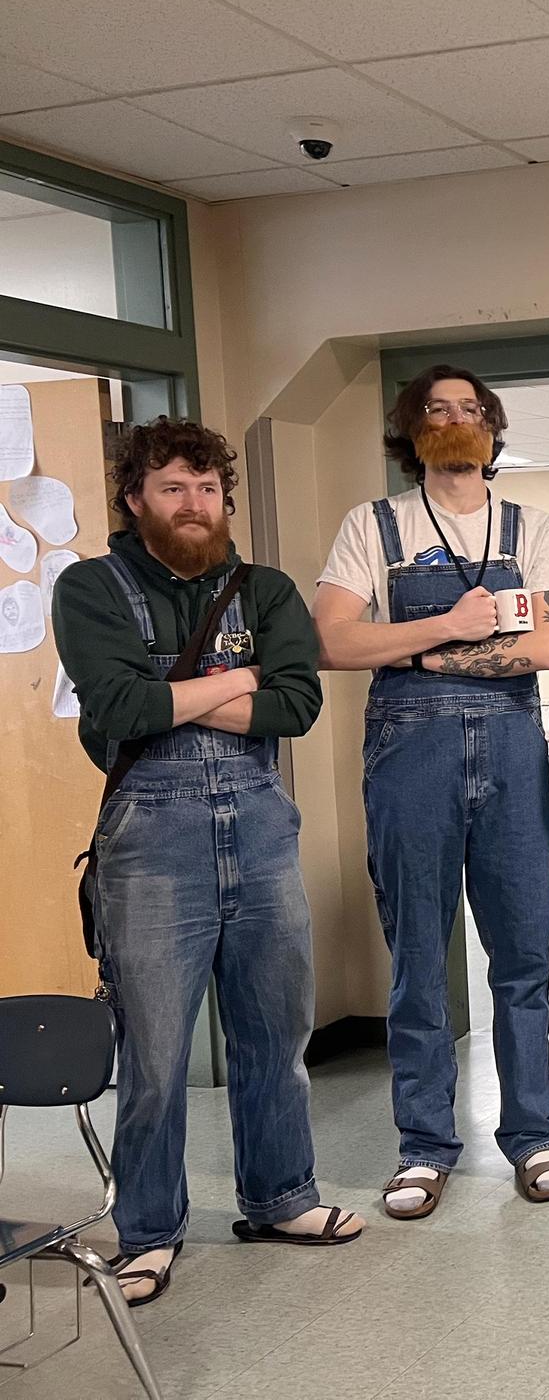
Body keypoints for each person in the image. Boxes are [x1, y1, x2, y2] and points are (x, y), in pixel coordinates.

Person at [52, 418, 361, 1307]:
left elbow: (296, 704)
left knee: (277, 1033)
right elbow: (116, 704)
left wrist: (175, 698)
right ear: (135, 498)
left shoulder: (262, 588)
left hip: (262, 829)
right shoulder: (90, 588)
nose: (195, 504)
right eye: (173, 488)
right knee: (152, 1051)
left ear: (227, 498)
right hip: (150, 841)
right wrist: (238, 679)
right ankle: (148, 1231)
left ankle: (281, 1198)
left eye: (208, 488)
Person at [312, 364, 549, 1218]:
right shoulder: (374, 525)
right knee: (418, 960)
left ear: (492, 429)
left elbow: (542, 650)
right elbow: (333, 642)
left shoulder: (533, 528)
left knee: (523, 951)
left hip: (508, 741)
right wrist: (450, 626)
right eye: (438, 409)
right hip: (409, 749)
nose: (456, 420)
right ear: (413, 429)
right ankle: (424, 1146)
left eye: (472, 410)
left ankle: (535, 1134)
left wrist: (418, 654)